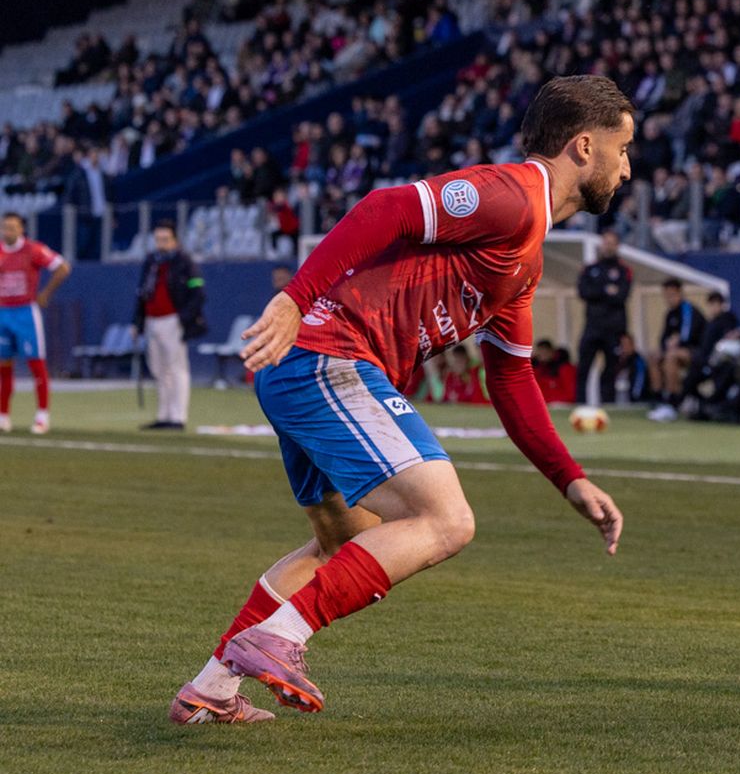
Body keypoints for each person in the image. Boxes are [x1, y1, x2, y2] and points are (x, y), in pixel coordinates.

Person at [168, 75, 631, 725]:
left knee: (344, 541)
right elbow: (386, 208)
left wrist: (570, 478)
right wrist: (295, 298)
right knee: (448, 519)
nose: (628, 164)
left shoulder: (523, 255)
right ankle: (281, 634)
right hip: (327, 358)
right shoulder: (512, 196)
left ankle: (212, 687)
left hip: (307, 370)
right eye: (623, 146)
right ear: (584, 146)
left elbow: (512, 379)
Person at [133, 221, 208, 431]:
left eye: (165, 240)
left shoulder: (184, 262)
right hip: (152, 320)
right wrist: (137, 322)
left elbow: (198, 290)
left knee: (177, 369)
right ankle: (164, 414)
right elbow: (142, 293)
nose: (161, 244)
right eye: (158, 240)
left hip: (172, 320)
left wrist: (184, 317)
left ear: (174, 240)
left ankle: (178, 417)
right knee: (158, 369)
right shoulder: (151, 261)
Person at [0, 211, 70, 434]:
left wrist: (45, 294)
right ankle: (3, 415)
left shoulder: (33, 250)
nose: (7, 232)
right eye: (4, 227)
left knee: (35, 363)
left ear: (21, 229)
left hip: (25, 313)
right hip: (3, 312)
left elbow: (62, 267)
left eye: (12, 227)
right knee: (3, 366)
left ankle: (42, 416)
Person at [575, 230, 631, 405]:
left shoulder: (624, 270)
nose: (608, 246)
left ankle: (608, 404)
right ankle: (580, 404)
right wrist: (607, 290)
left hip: (614, 328)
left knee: (610, 369)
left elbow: (621, 295)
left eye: (611, 242)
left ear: (617, 246)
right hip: (592, 326)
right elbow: (583, 292)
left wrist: (599, 291)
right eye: (606, 242)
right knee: (583, 367)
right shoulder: (590, 268)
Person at [648, 278, 705, 422]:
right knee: (654, 357)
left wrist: (675, 342)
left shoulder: (688, 309)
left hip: (696, 352)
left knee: (670, 357)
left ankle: (672, 404)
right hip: (677, 351)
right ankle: (659, 400)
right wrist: (662, 348)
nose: (669, 299)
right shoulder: (669, 314)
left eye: (672, 295)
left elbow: (687, 336)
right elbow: (663, 338)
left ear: (680, 293)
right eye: (666, 295)